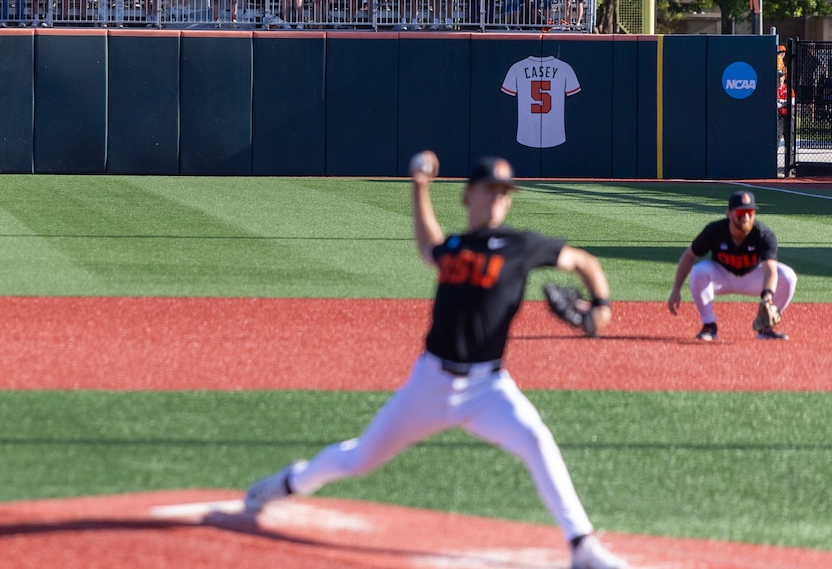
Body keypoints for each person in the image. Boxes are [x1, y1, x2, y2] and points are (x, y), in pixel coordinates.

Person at [244, 153, 627, 569]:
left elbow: (584, 262)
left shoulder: (521, 245)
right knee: (360, 458)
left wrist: (601, 305)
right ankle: (291, 481)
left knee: (536, 440)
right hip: (430, 383)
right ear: (468, 196)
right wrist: (420, 187)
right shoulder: (456, 247)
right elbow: (429, 246)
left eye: (504, 193)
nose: (498, 199)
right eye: (490, 190)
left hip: (488, 388)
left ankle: (581, 545)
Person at [668, 190, 797, 342]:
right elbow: (689, 256)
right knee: (699, 271)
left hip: (752, 278)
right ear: (729, 213)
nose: (746, 217)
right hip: (722, 277)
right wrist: (676, 289)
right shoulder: (715, 230)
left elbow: (770, 269)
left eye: (750, 212)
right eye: (741, 213)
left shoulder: (764, 234)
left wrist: (767, 297)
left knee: (788, 276)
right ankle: (709, 325)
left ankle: (766, 328)